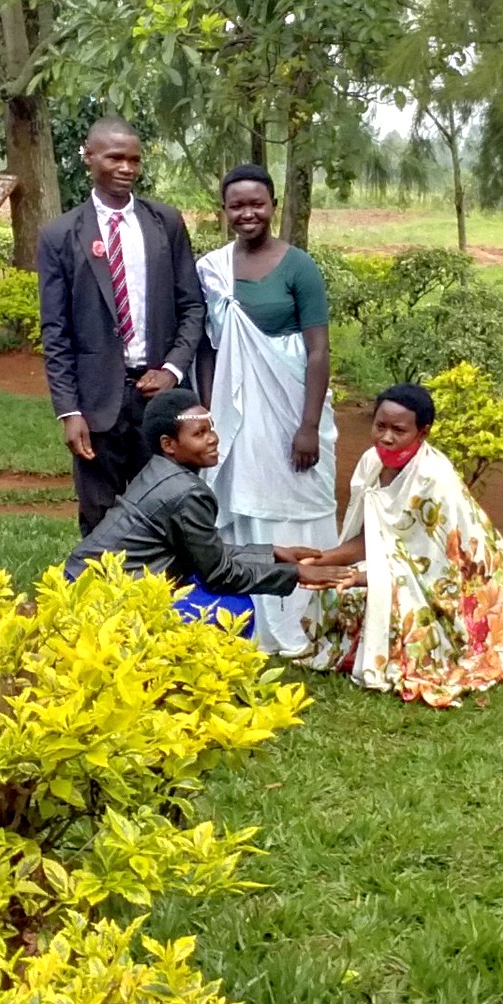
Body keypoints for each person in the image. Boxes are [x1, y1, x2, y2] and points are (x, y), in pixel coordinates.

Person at [289, 384, 503, 706]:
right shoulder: (371, 463)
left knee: (398, 607)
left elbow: (437, 570)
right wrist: (321, 560)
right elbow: (373, 538)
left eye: (398, 431)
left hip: (463, 584)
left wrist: (363, 577)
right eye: (380, 426)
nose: (386, 438)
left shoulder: (433, 480)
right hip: (408, 570)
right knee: (333, 588)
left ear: (422, 432)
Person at [37, 120, 206, 534]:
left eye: (134, 159)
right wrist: (69, 411)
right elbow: (55, 330)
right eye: (115, 158)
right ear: (89, 157)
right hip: (97, 402)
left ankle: (164, 578)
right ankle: (104, 579)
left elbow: (191, 306)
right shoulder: (60, 235)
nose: (126, 168)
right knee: (100, 517)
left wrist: (172, 370)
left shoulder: (165, 223)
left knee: (169, 510)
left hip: (160, 398)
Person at [197, 166, 337, 654]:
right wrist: (210, 413)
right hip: (235, 412)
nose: (247, 213)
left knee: (298, 500)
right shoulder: (213, 270)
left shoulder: (299, 266)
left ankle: (308, 622)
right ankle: (254, 625)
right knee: (244, 502)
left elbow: (318, 350)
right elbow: (209, 348)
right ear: (224, 210)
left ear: (273, 205)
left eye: (256, 203)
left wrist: (308, 425)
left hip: (290, 405)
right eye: (237, 205)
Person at [62, 390, 336, 620]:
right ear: (169, 444)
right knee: (233, 609)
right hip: (98, 599)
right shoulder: (188, 493)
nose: (213, 438)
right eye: (200, 433)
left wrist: (269, 553)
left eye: (211, 428)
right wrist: (296, 573)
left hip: (79, 581)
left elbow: (202, 551)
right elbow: (219, 574)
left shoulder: (158, 470)